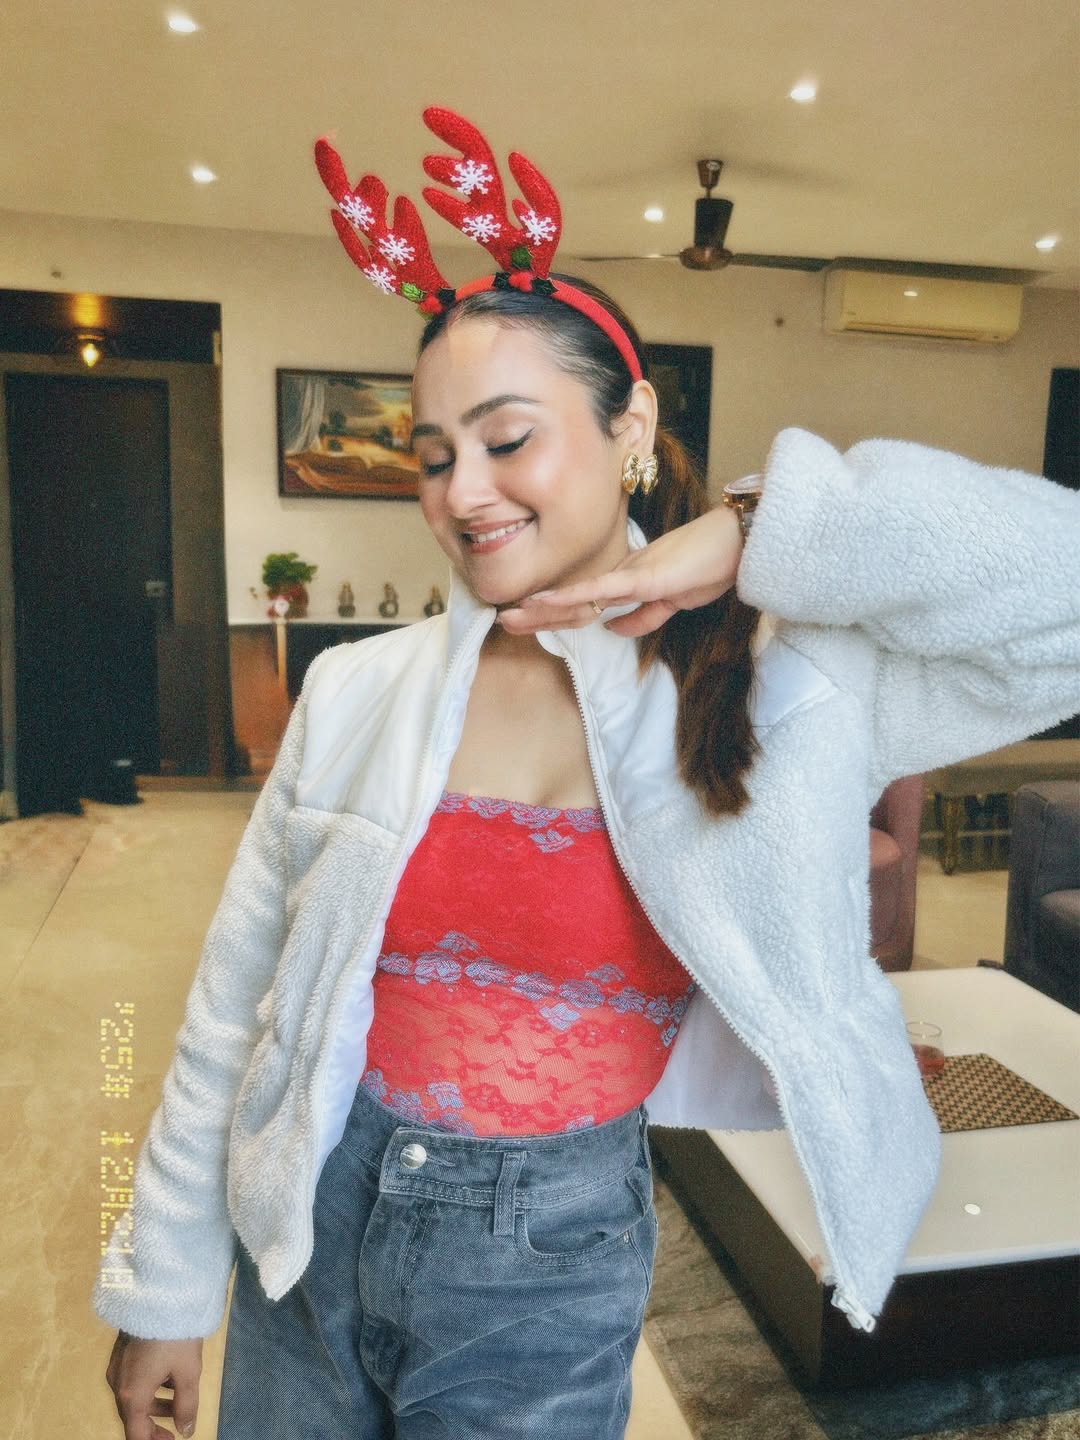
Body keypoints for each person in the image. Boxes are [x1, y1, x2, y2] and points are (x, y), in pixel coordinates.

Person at [95, 108, 1080, 1440]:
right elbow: (237, 1004)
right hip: (308, 1227)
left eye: (507, 440)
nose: (463, 493)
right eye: (432, 456)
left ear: (632, 428)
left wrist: (760, 529)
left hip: (546, 1266)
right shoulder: (361, 690)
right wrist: (162, 1281)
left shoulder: (784, 681)